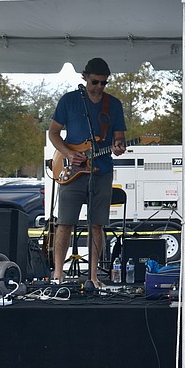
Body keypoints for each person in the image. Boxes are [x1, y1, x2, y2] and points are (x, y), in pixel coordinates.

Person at [49, 58, 127, 286]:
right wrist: (68, 153)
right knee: (65, 223)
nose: (99, 87)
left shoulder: (113, 105)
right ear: (85, 77)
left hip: (101, 170)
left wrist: (119, 146)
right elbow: (54, 133)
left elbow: (119, 138)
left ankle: (93, 277)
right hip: (72, 169)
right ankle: (58, 275)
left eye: (104, 83)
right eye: (95, 82)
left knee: (97, 224)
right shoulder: (69, 101)